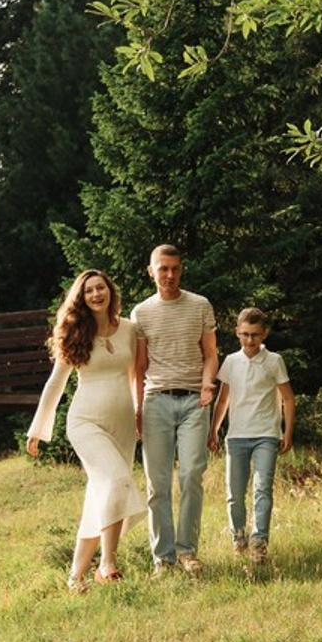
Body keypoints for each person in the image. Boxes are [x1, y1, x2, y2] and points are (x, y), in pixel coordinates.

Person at [27, 269, 142, 593]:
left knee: (100, 496)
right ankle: (107, 563)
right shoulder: (75, 333)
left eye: (100, 288)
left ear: (110, 292)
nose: (96, 294)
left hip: (121, 424)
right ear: (82, 297)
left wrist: (139, 413)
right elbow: (55, 384)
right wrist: (38, 429)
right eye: (89, 290)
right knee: (117, 482)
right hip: (85, 422)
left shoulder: (129, 330)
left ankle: (75, 577)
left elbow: (136, 375)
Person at [132, 243, 218, 575]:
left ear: (181, 270)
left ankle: (187, 552)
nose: (169, 275)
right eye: (163, 269)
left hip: (196, 399)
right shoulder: (141, 312)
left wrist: (209, 383)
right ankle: (163, 559)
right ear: (151, 271)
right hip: (156, 401)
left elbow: (210, 353)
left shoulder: (200, 305)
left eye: (175, 268)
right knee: (158, 483)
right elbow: (139, 366)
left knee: (192, 472)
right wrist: (137, 408)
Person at [208, 307, 296, 563]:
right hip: (236, 436)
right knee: (234, 493)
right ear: (237, 332)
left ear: (264, 333)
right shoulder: (231, 362)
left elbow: (288, 399)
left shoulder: (274, 361)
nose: (250, 340)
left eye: (255, 335)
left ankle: (259, 542)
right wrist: (213, 430)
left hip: (266, 434)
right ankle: (238, 538)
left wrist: (287, 433)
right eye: (245, 334)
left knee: (262, 489)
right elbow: (222, 400)